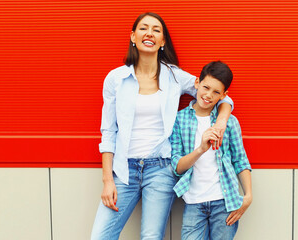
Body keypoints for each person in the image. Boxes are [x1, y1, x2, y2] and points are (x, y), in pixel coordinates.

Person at [91, 13, 234, 240]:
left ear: (162, 41)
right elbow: (108, 131)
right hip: (124, 170)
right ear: (133, 36)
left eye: (156, 30)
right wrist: (108, 180)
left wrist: (221, 122)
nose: (149, 33)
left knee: (151, 237)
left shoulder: (173, 76)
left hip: (160, 169)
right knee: (100, 236)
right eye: (143, 28)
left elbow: (219, 95)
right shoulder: (115, 79)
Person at [170, 61, 252, 240]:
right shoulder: (179, 120)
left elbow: (240, 160)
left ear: (224, 95)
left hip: (224, 202)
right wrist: (200, 149)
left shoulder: (229, 122)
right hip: (193, 203)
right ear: (197, 83)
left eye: (216, 92)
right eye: (206, 87)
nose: (208, 95)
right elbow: (177, 166)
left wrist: (248, 196)